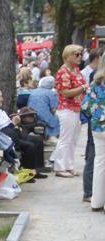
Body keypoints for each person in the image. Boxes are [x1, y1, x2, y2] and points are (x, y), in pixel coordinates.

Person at [0, 88, 48, 177]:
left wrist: (13, 123)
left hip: (13, 133)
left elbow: (6, 123)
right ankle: (29, 174)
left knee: (37, 139)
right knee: (30, 146)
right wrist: (14, 123)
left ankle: (37, 171)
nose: (2, 99)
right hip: (6, 140)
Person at [53, 45, 87, 177]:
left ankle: (69, 166)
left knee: (73, 140)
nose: (80, 57)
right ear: (67, 56)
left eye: (80, 54)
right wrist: (83, 88)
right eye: (76, 54)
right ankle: (60, 167)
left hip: (76, 109)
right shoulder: (63, 72)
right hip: (67, 109)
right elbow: (65, 92)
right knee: (65, 139)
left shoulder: (76, 70)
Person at [82, 60, 105, 212]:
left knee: (100, 163)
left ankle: (96, 201)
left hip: (98, 126)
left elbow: (85, 106)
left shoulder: (95, 83)